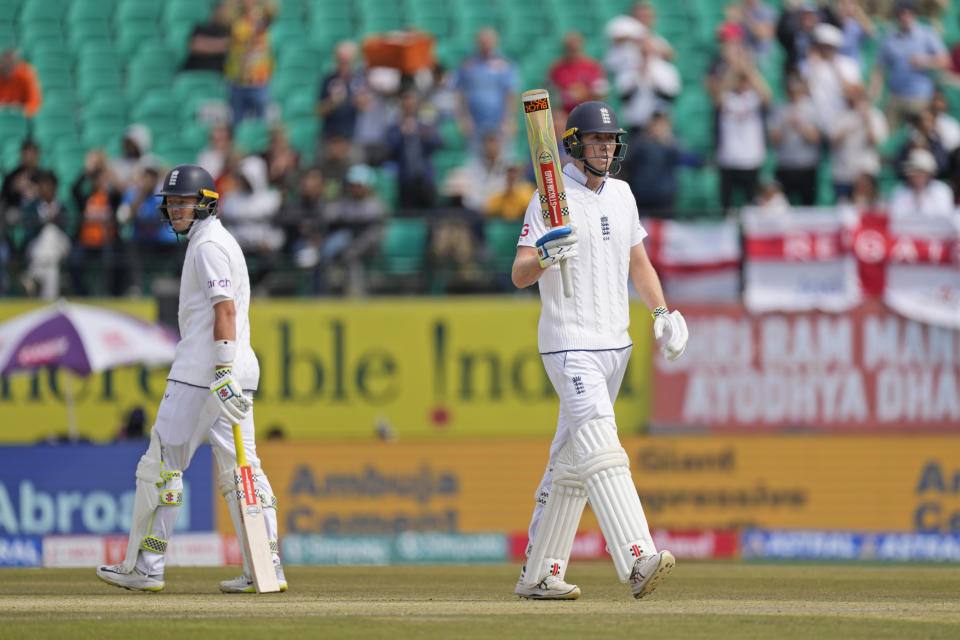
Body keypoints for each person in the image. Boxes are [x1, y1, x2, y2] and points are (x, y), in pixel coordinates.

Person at [511, 101, 687, 600]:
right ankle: (637, 557)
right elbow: (520, 273)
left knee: (570, 463)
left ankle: (539, 574)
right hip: (570, 343)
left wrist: (661, 314)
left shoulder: (624, 195)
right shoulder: (548, 199)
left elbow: (640, 265)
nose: (606, 149)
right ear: (574, 145)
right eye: (596, 141)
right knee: (602, 447)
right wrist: (544, 256)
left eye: (611, 141)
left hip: (617, 346)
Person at [96, 164, 286, 593]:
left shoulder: (207, 247)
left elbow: (226, 311)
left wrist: (219, 370)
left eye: (183, 201)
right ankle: (266, 567)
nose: (175, 209)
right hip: (233, 369)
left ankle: (146, 566)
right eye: (172, 202)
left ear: (206, 203)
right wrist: (227, 370)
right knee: (242, 470)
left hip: (204, 372)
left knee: (161, 466)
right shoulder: (221, 241)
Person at [871, 0, 949, 129]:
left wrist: (925, 61)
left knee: (922, 131)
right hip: (896, 96)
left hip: (920, 97)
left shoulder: (926, 34)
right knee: (883, 132)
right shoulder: (890, 39)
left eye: (908, 13)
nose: (904, 17)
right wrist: (874, 93)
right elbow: (879, 68)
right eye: (901, 14)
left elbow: (944, 60)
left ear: (914, 15)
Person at [0, 47, 42, 117]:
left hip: (20, 119)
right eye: (5, 63)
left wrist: (21, 109)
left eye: (11, 64)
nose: (7, 66)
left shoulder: (26, 74)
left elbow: (34, 104)